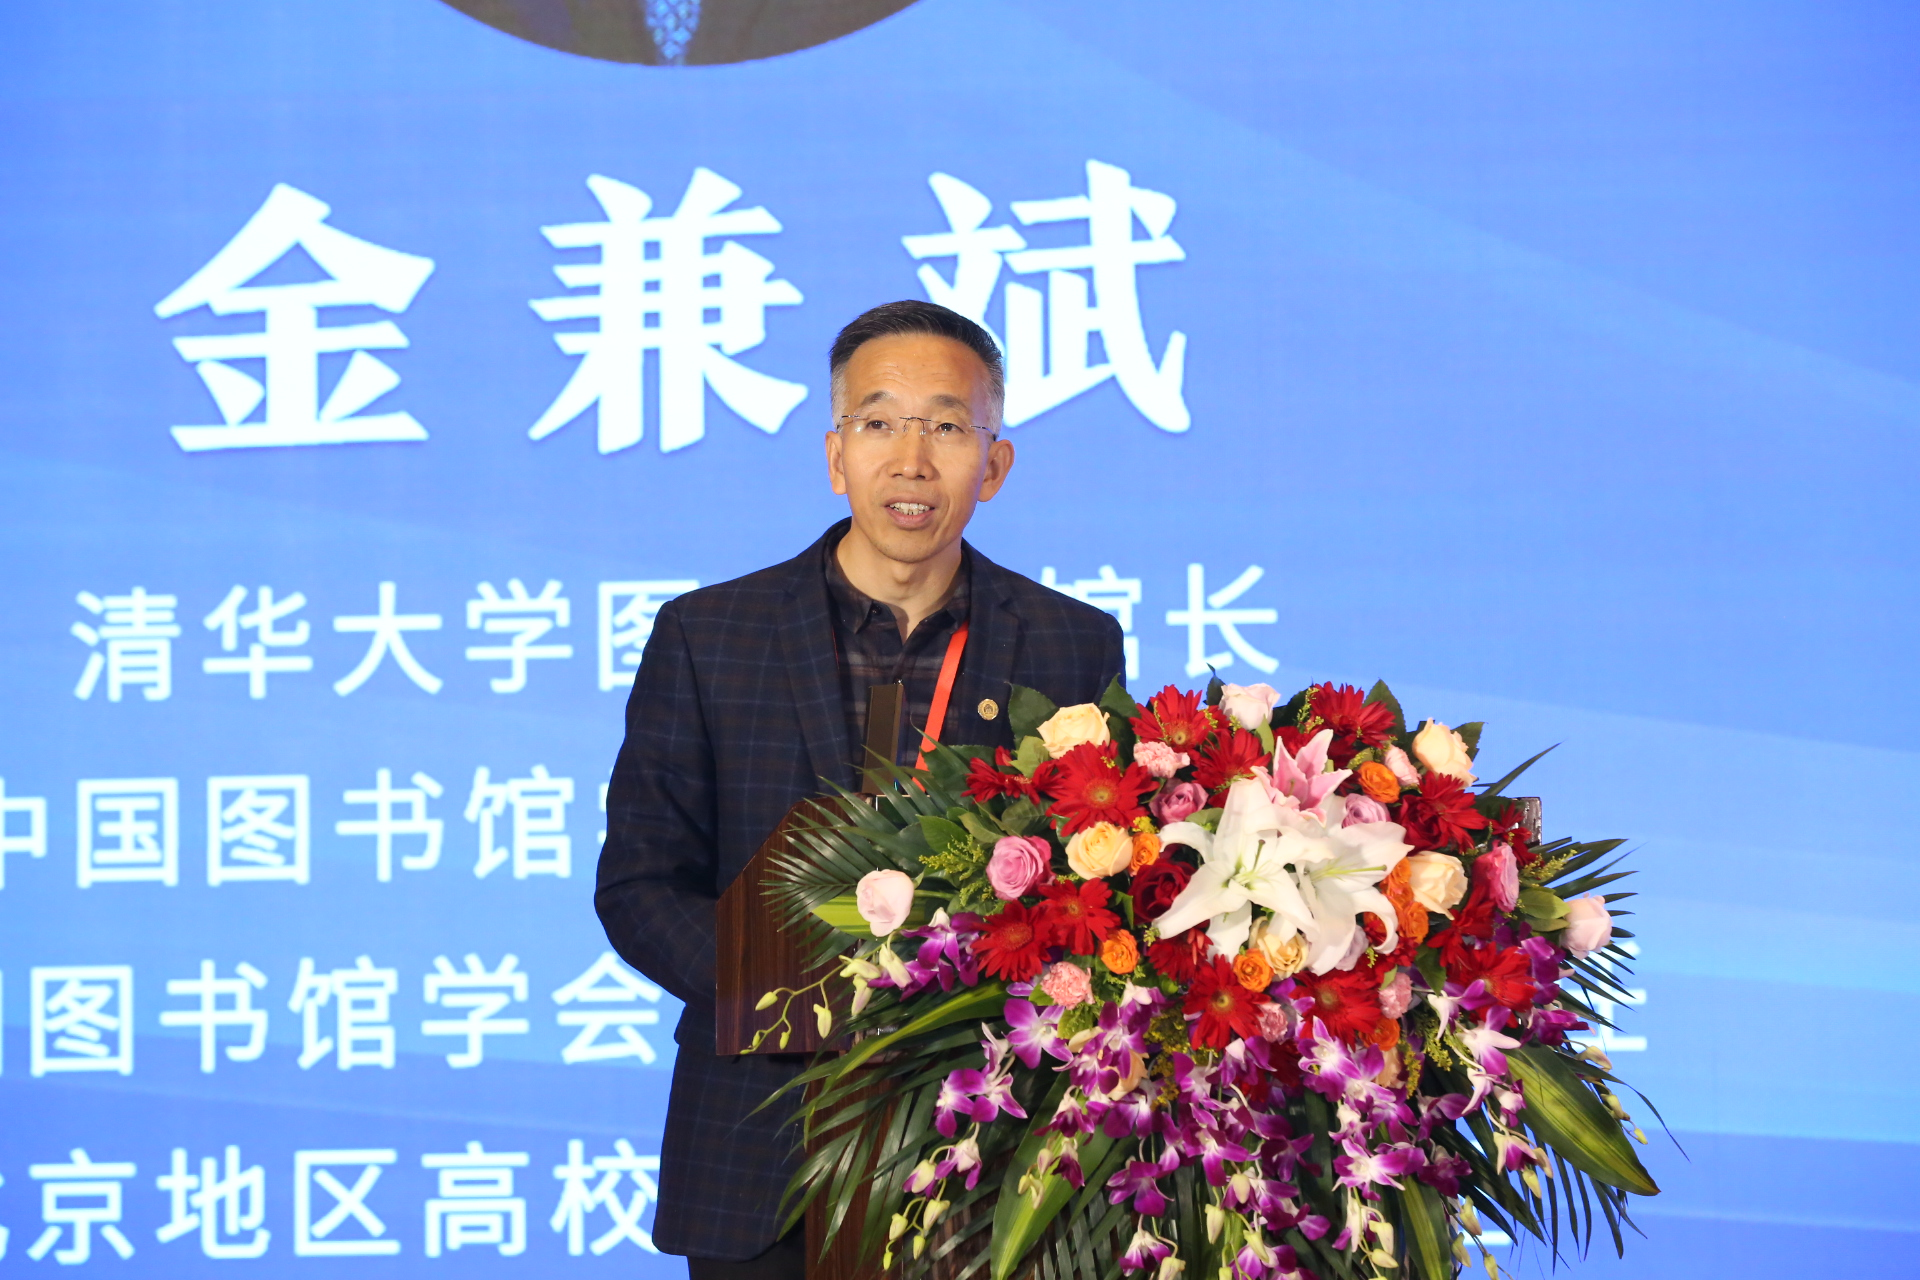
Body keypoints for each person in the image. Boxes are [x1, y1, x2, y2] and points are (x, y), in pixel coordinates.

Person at [595, 300, 1123, 1279]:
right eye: (879, 422)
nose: (911, 460)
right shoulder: (710, 636)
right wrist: (793, 992)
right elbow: (639, 883)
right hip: (760, 1149)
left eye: (947, 426)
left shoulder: (1070, 643)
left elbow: (1098, 885)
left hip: (991, 1155)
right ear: (836, 455)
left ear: (994, 465)